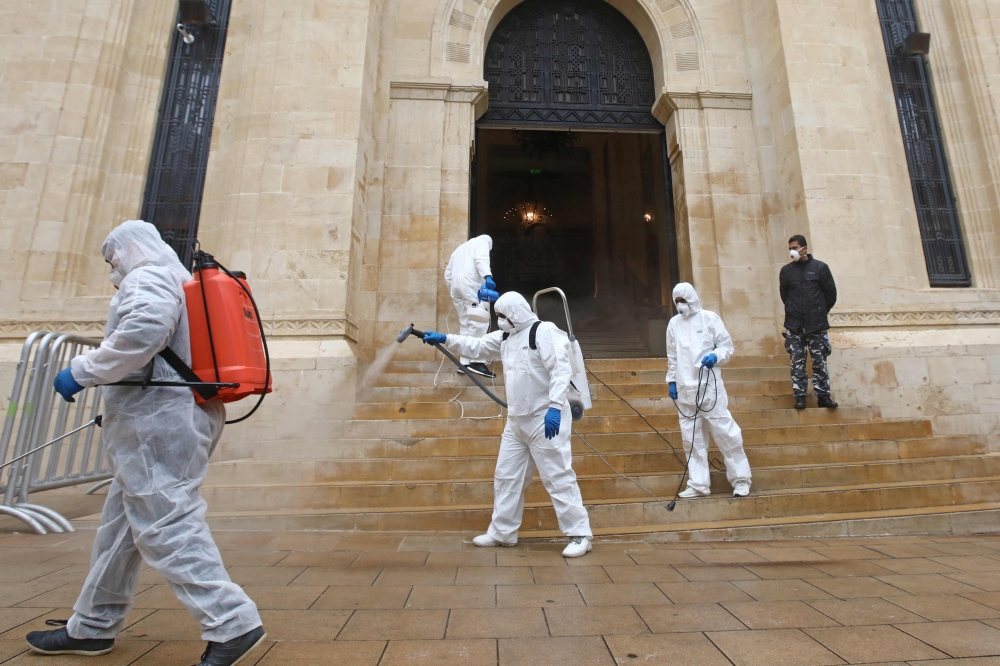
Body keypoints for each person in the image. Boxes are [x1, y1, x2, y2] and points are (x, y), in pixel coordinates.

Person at [27, 221, 265, 666]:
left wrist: (82, 370)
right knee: (122, 528)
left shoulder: (149, 276)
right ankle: (93, 625)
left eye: (111, 259)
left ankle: (233, 622)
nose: (112, 270)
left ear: (129, 249)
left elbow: (144, 330)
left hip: (157, 420)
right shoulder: (177, 277)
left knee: (166, 523)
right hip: (174, 414)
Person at [421, 292, 593, 558]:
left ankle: (579, 534)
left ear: (515, 313)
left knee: (558, 477)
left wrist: (556, 408)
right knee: (506, 478)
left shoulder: (543, 332)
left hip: (544, 419)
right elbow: (475, 346)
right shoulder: (505, 338)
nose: (499, 321)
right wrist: (445, 339)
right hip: (516, 422)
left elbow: (561, 371)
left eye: (503, 316)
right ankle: (502, 532)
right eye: (497, 316)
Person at [667, 283, 752, 499]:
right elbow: (673, 357)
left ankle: (741, 479)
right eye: (677, 301)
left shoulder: (709, 318)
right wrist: (671, 381)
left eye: (683, 300)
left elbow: (726, 346)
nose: (680, 305)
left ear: (692, 299)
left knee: (725, 433)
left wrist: (716, 356)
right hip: (685, 391)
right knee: (691, 438)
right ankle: (698, 484)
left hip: (709, 388)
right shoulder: (673, 324)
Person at [779, 235, 838, 410]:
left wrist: (819, 312)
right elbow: (785, 295)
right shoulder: (786, 271)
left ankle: (823, 396)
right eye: (790, 248)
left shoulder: (820, 268)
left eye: (795, 247)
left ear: (804, 248)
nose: (792, 251)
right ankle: (800, 396)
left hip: (816, 324)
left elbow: (830, 295)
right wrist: (793, 309)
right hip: (794, 324)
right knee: (797, 361)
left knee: (819, 361)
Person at [444, 234, 497, 379]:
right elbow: (481, 259)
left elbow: (447, 273)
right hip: (472, 286)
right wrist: (488, 276)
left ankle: (465, 362)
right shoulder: (481, 244)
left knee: (465, 323)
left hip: (456, 289)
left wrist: (453, 289)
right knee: (479, 321)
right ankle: (477, 361)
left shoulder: (459, 249)